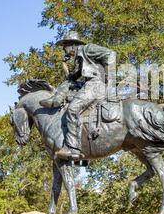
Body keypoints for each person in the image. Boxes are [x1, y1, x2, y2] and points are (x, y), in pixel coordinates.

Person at [40, 31, 116, 159]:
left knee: (72, 109)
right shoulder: (79, 58)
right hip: (89, 85)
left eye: (65, 45)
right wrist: (64, 65)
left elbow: (111, 54)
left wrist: (110, 81)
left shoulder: (88, 49)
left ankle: (73, 148)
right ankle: (56, 99)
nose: (64, 49)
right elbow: (73, 77)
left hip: (95, 85)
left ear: (72, 45)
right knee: (68, 83)